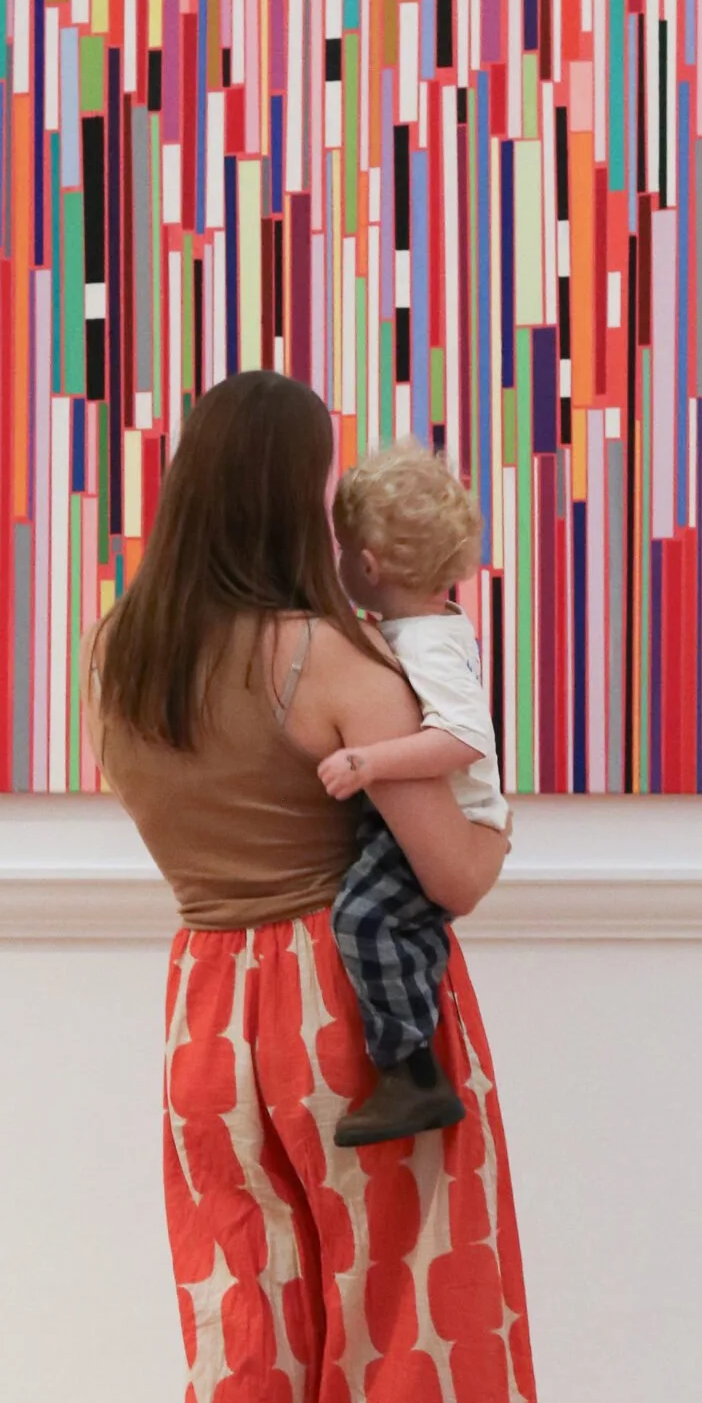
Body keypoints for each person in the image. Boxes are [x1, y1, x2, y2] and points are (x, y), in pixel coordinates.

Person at [87, 371, 557, 1403]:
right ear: (302, 498)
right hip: (353, 1026)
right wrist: (497, 801)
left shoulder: (125, 657)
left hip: (204, 1018)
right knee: (401, 1354)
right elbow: (456, 877)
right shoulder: (331, 666)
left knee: (243, 1367)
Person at [317, 441, 508, 1151]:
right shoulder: (414, 630)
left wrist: (370, 760)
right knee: (401, 931)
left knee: (364, 921)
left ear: (366, 565)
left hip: (456, 819)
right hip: (433, 822)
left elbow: (463, 739)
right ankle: (416, 1056)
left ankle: (410, 1070)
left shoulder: (428, 642)